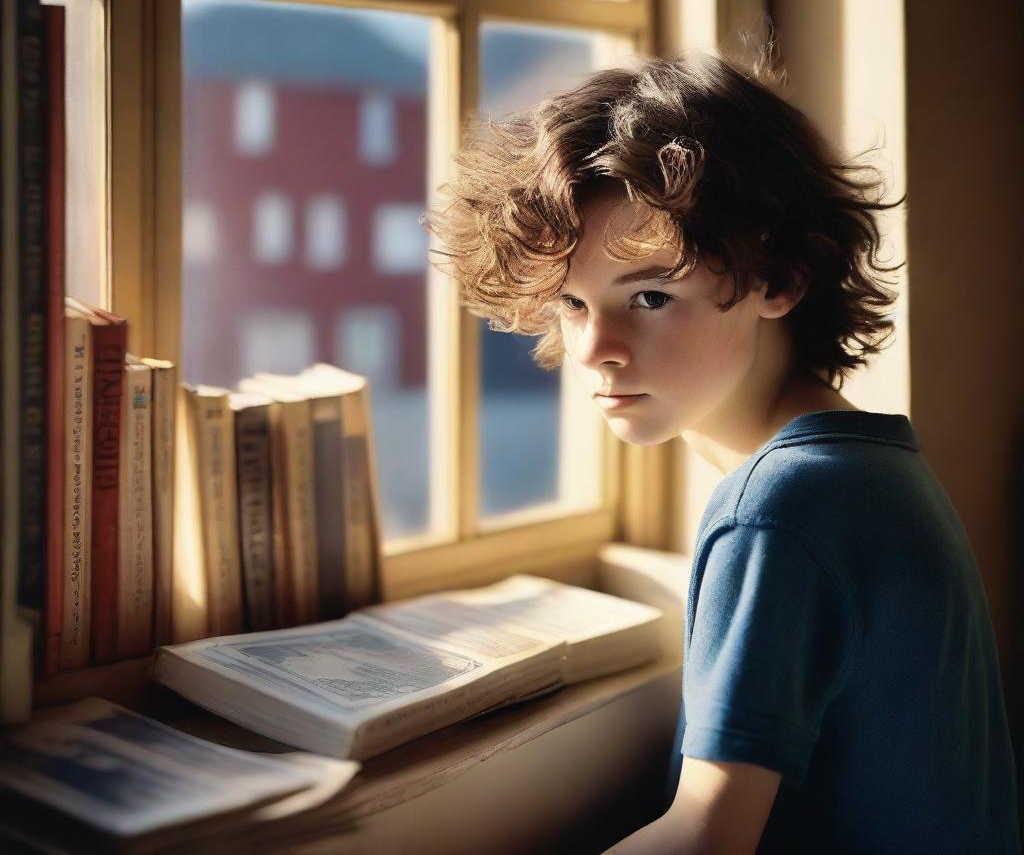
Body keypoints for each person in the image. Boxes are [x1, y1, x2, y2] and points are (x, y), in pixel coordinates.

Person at [420, 48, 1019, 853]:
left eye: (651, 296)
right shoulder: (871, 466)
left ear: (780, 277)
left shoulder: (780, 509)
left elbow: (707, 838)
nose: (597, 347)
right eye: (572, 301)